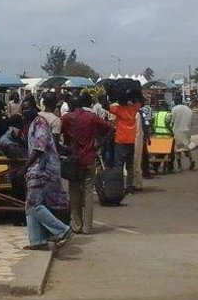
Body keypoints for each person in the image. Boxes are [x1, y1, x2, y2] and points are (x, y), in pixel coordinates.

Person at [21, 100, 73, 250]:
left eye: (28, 108)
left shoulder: (40, 123)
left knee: (34, 204)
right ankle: (37, 241)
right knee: (29, 205)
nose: (25, 111)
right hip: (36, 169)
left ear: (36, 108)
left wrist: (24, 168)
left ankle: (62, 230)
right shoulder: (31, 125)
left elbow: (39, 147)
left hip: (43, 169)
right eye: (23, 109)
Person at [61, 93, 112, 234]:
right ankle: (88, 227)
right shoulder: (91, 117)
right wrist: (98, 144)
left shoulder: (66, 118)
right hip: (89, 158)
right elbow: (110, 128)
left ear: (72, 105)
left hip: (73, 160)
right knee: (89, 193)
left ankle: (76, 224)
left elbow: (58, 134)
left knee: (74, 192)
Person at [109, 96, 141, 194]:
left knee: (119, 165)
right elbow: (139, 102)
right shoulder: (134, 109)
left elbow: (107, 106)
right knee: (129, 165)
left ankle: (120, 186)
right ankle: (130, 187)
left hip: (120, 139)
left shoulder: (118, 109)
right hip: (131, 140)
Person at [170, 94, 195, 171]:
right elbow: (191, 122)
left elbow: (172, 121)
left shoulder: (174, 109)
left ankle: (179, 166)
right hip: (186, 130)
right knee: (186, 148)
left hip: (177, 131)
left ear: (175, 101)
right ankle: (191, 159)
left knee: (177, 150)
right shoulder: (188, 109)